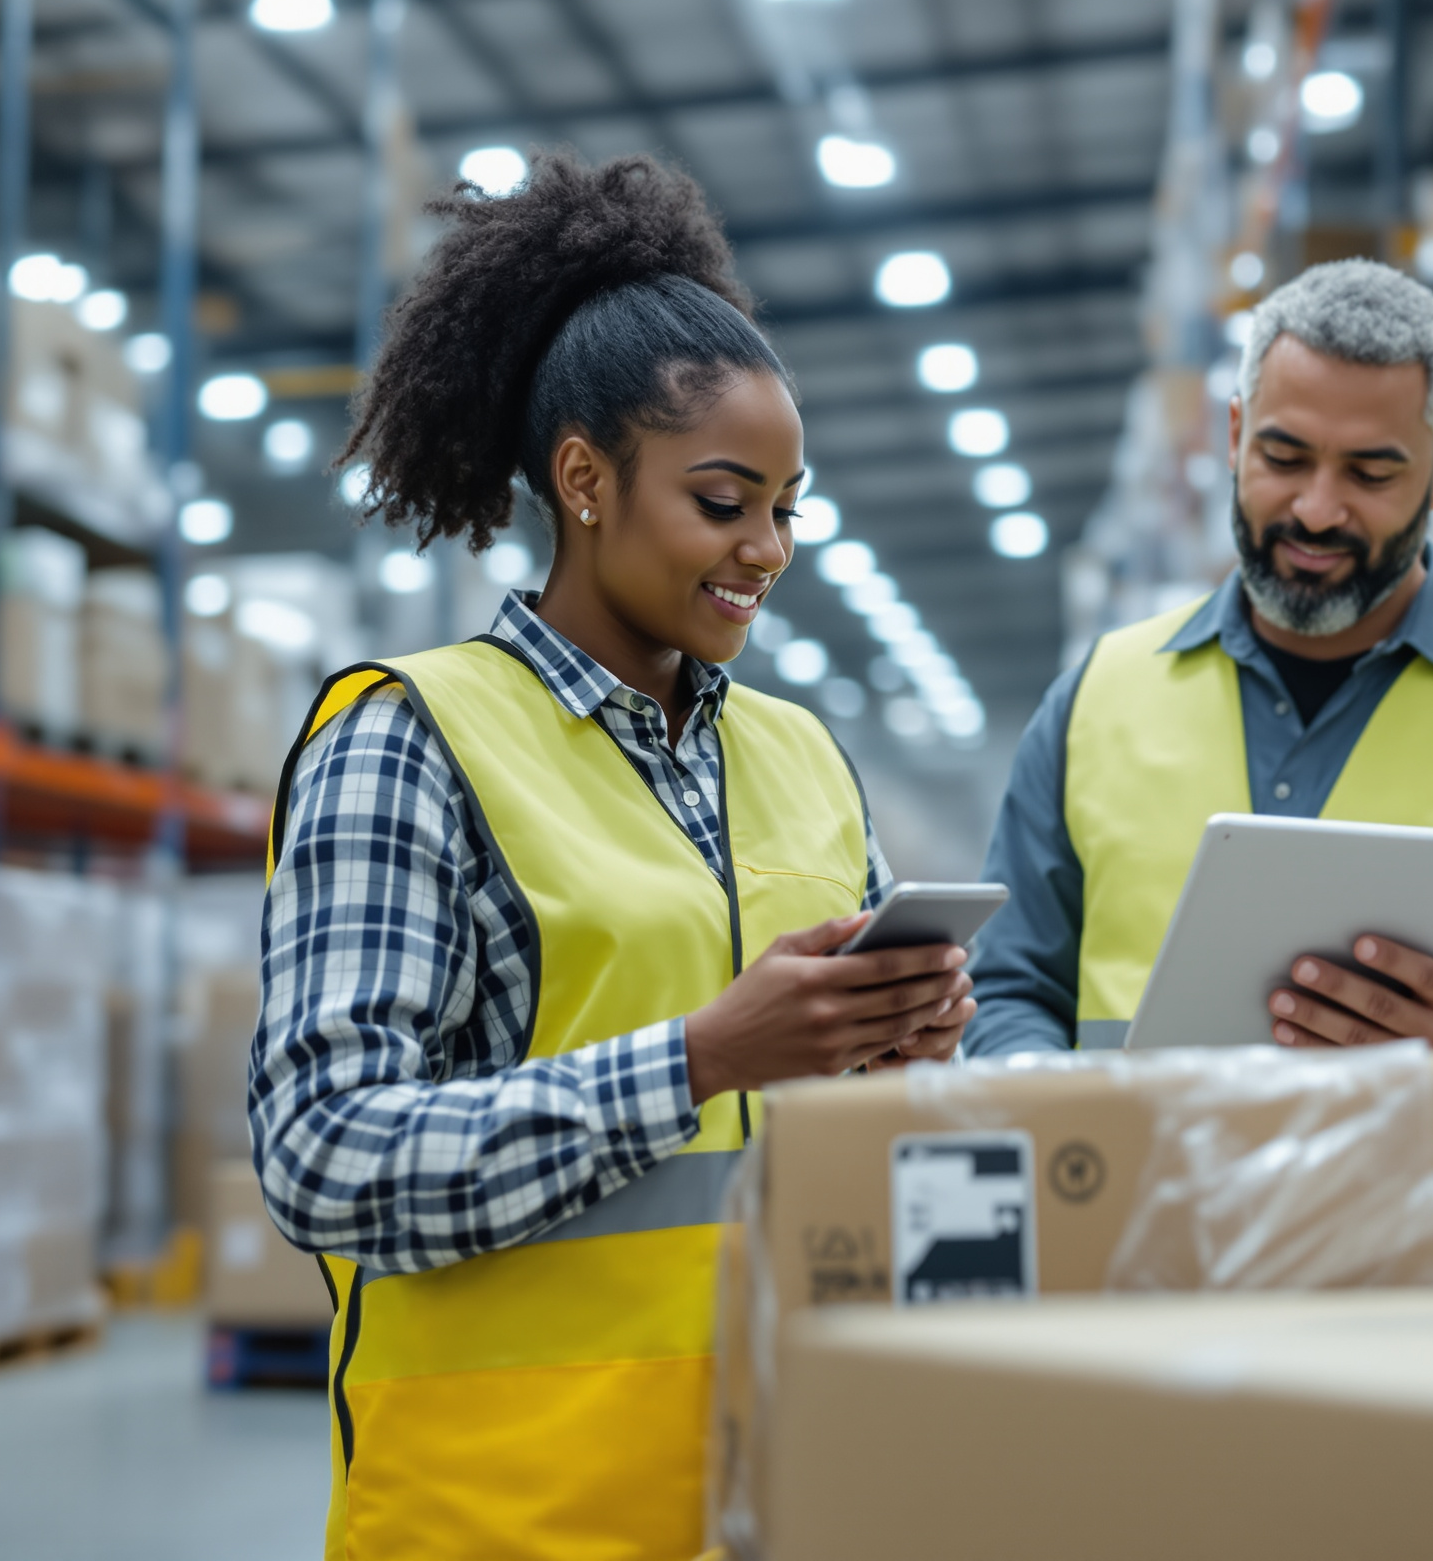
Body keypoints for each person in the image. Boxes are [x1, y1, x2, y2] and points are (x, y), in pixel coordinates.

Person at [250, 153, 976, 1559]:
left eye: (789, 506)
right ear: (584, 478)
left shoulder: (805, 761)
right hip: (505, 1520)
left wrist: (903, 1044)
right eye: (723, 501)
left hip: (782, 1497)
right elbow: (323, 1155)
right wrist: (700, 1058)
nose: (768, 548)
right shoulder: (410, 741)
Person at [967, 258, 1433, 1168]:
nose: (1317, 509)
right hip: (1155, 1278)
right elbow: (1004, 992)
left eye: (1371, 472)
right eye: (1283, 457)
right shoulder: (1095, 702)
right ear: (1234, 436)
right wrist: (1055, 1114)